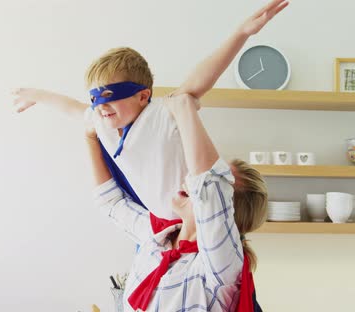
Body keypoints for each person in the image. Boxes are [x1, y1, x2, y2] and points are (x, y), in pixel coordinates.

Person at [12, 0, 290, 220]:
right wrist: (35, 95)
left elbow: (195, 85)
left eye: (110, 96)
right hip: (155, 220)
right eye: (95, 99)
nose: (101, 105)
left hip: (193, 216)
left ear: (143, 96)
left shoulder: (159, 114)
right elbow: (73, 108)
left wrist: (241, 33)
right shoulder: (101, 119)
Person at [86, 93, 268, 311]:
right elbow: (112, 203)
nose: (190, 179)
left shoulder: (220, 266)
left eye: (223, 184)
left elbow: (209, 185)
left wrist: (185, 111)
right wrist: (90, 138)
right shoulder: (157, 237)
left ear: (226, 213)